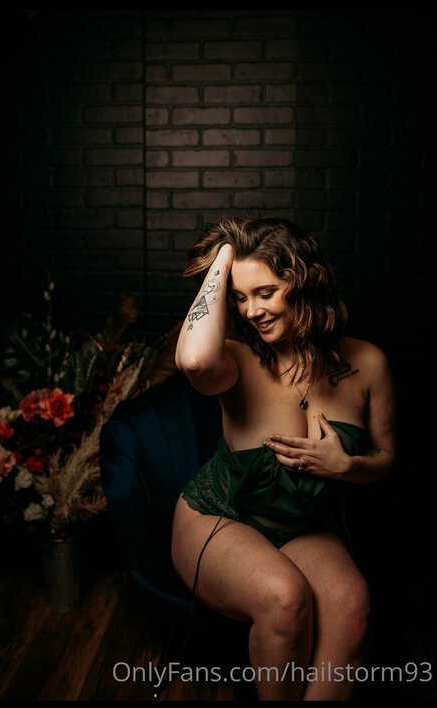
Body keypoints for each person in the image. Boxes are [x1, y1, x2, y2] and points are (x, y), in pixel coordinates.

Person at [171, 216, 395, 701]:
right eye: (240, 297)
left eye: (266, 292)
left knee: (352, 605)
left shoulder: (367, 363)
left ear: (305, 282)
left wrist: (348, 466)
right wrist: (226, 255)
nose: (251, 311)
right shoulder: (237, 360)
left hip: (301, 527)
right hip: (219, 518)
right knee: (284, 597)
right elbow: (192, 360)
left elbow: (386, 457)